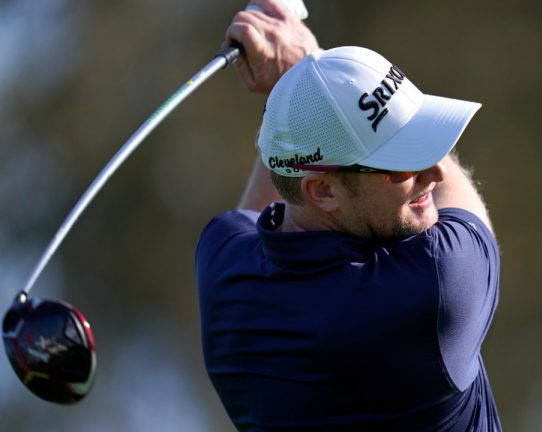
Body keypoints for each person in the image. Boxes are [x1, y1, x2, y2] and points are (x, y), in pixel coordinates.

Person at [195, 1, 502, 430]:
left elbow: (283, 184)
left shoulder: (221, 262)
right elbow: (458, 198)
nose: (433, 170)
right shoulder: (438, 286)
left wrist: (294, 89)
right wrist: (295, 70)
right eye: (402, 163)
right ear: (323, 190)